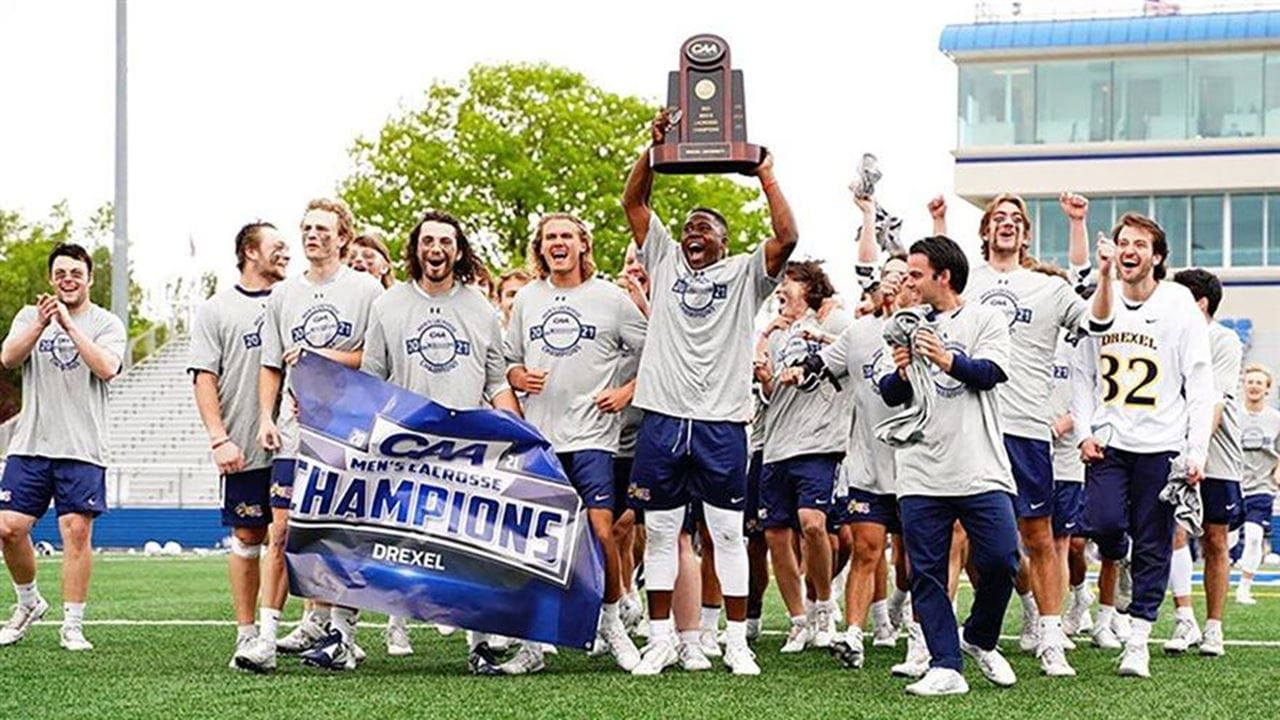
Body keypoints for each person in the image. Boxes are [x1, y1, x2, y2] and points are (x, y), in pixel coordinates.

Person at [621, 108, 797, 676]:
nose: (692, 233)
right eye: (688, 227)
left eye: (704, 228)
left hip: (722, 421)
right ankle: (661, 640)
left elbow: (787, 237)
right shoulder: (664, 258)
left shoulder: (746, 273)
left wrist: (765, 173)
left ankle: (736, 641)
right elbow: (633, 203)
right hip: (664, 417)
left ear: (724, 241)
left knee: (725, 532)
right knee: (661, 532)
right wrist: (652, 151)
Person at [934, 191, 1106, 677]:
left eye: (1015, 219)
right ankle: (934, 639)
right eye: (998, 218)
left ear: (1026, 233)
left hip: (1026, 426)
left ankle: (1050, 636)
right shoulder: (967, 284)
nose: (1006, 224)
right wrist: (939, 223)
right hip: (969, 424)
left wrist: (1098, 259)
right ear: (986, 230)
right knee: (959, 535)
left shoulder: (1046, 287)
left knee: (1039, 535)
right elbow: (936, 281)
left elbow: (1096, 319)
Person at [360, 209, 522, 673]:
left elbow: (495, 380)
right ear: (415, 249)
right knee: (400, 540)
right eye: (428, 241)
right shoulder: (387, 305)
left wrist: (518, 430)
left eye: (445, 242)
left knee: (471, 546)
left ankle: (480, 644)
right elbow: (371, 376)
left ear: (458, 250)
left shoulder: (480, 307)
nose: (436, 249)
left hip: (466, 443)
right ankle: (380, 625)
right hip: (406, 443)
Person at [235, 198, 383, 673]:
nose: (313, 235)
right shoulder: (283, 295)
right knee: (280, 531)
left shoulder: (366, 289)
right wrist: (266, 417)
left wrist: (323, 359)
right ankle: (266, 639)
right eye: (307, 228)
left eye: (323, 229)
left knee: (340, 532)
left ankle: (341, 635)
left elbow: (375, 359)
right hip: (294, 431)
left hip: (348, 431)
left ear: (343, 237)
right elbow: (271, 364)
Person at [873, 235, 1020, 696]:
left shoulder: (985, 318)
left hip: (978, 464)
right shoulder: (903, 324)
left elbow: (989, 373)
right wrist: (901, 371)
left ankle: (979, 637)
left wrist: (944, 358)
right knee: (927, 572)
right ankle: (945, 665)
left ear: (945, 276)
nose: (908, 283)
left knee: (1002, 559)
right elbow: (890, 393)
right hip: (920, 467)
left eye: (916, 275)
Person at [502, 212, 646, 674]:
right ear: (541, 247)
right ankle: (532, 644)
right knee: (534, 541)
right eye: (550, 237)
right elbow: (507, 360)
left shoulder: (611, 299)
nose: (558, 243)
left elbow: (657, 352)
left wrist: (627, 392)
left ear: (584, 244)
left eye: (567, 236)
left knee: (601, 532)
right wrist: (517, 376)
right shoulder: (528, 298)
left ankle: (612, 623)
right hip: (541, 438)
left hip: (593, 436)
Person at [1072, 213, 1214, 679]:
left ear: (1157, 257)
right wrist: (1084, 430)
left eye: (1139, 244)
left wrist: (1196, 451)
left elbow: (1200, 381)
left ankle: (1137, 642)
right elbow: (1083, 373)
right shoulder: (1101, 298)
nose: (1129, 250)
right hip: (1110, 440)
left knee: (1154, 542)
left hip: (1162, 442)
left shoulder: (1178, 304)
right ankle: (1122, 554)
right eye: (1123, 242)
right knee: (1105, 525)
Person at [0, 243, 127, 652]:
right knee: (8, 528)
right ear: (51, 279)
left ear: (89, 278)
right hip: (32, 443)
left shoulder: (106, 323)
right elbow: (8, 357)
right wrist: (41, 323)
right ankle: (28, 602)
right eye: (60, 274)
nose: (67, 280)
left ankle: (72, 625)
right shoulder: (30, 316)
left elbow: (106, 368)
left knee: (76, 531)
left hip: (82, 447)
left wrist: (70, 326)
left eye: (75, 273)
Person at [189, 222, 290, 670]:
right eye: (276, 247)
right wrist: (219, 438)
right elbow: (204, 378)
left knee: (290, 536)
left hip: (296, 443)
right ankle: (246, 633)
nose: (285, 253)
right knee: (249, 535)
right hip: (245, 445)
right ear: (250, 251)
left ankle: (299, 631)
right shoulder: (216, 310)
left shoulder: (295, 299)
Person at [759, 261, 853, 653]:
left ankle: (824, 607)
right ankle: (798, 620)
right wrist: (765, 370)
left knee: (813, 524)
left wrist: (822, 334)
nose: (781, 289)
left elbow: (860, 350)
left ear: (810, 286)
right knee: (775, 533)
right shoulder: (776, 332)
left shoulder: (836, 320)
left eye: (790, 281)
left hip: (820, 441)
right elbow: (768, 391)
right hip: (776, 443)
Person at [1164, 268, 1243, 657]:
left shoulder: (1223, 340)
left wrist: (1198, 450)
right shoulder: (1167, 336)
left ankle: (1214, 627)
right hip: (1172, 446)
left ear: (1200, 303)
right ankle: (1185, 618)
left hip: (1218, 451)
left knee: (1215, 538)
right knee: (1174, 531)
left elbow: (1214, 400)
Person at [1237, 364, 1279, 605]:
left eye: (1259, 383)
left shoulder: (1275, 419)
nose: (1254, 386)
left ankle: (1244, 587)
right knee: (1226, 540)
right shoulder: (1232, 413)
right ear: (1244, 385)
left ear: (1267, 389)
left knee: (1254, 537)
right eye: (1250, 381)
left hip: (1262, 486)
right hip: (1232, 484)